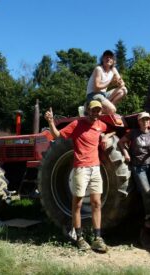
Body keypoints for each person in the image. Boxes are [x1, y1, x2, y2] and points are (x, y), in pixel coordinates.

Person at [44, 100, 115, 253]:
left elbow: (110, 130)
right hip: (81, 169)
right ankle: (80, 237)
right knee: (77, 204)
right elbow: (57, 135)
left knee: (96, 203)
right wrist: (51, 122)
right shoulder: (77, 124)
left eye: (98, 111)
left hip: (96, 169)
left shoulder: (100, 125)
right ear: (87, 111)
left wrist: (107, 136)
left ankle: (97, 238)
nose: (96, 113)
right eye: (93, 110)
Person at [86, 50, 127, 114]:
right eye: (106, 57)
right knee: (112, 110)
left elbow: (122, 84)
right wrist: (110, 81)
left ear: (113, 61)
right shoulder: (99, 69)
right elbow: (96, 88)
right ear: (102, 59)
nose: (108, 59)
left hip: (103, 95)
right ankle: (88, 109)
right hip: (93, 95)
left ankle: (105, 109)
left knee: (124, 90)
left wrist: (119, 83)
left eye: (110, 57)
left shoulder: (113, 70)